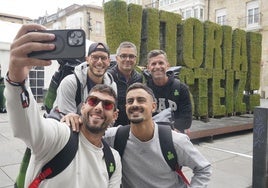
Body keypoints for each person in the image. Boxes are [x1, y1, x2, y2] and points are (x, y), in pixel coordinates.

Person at [5, 24, 121, 188]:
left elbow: (107, 123)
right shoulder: (70, 81)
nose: (99, 107)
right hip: (66, 132)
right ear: (87, 59)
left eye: (108, 104)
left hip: (93, 137)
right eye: (92, 101)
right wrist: (17, 79)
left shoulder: (113, 159)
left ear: (109, 61)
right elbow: (30, 127)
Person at [104, 83, 211, 187]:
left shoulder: (175, 141)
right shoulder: (114, 137)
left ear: (153, 106)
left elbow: (203, 168)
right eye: (130, 101)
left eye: (141, 100)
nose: (135, 104)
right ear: (126, 107)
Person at [53, 40, 117, 116]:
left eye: (103, 58)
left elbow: (110, 117)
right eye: (95, 57)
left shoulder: (112, 86)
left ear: (109, 61)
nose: (99, 62)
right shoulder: (70, 83)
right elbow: (67, 119)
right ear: (87, 59)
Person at [145, 49, 192, 133]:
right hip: (151, 136)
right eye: (153, 64)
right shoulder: (144, 91)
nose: (157, 66)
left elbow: (186, 119)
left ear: (167, 66)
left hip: (174, 135)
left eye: (161, 63)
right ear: (148, 68)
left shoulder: (181, 88)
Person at [108, 41, 142, 126]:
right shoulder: (108, 77)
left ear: (135, 59)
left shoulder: (139, 77)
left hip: (134, 125)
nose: (127, 59)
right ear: (117, 58)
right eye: (123, 56)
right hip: (113, 126)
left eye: (131, 56)